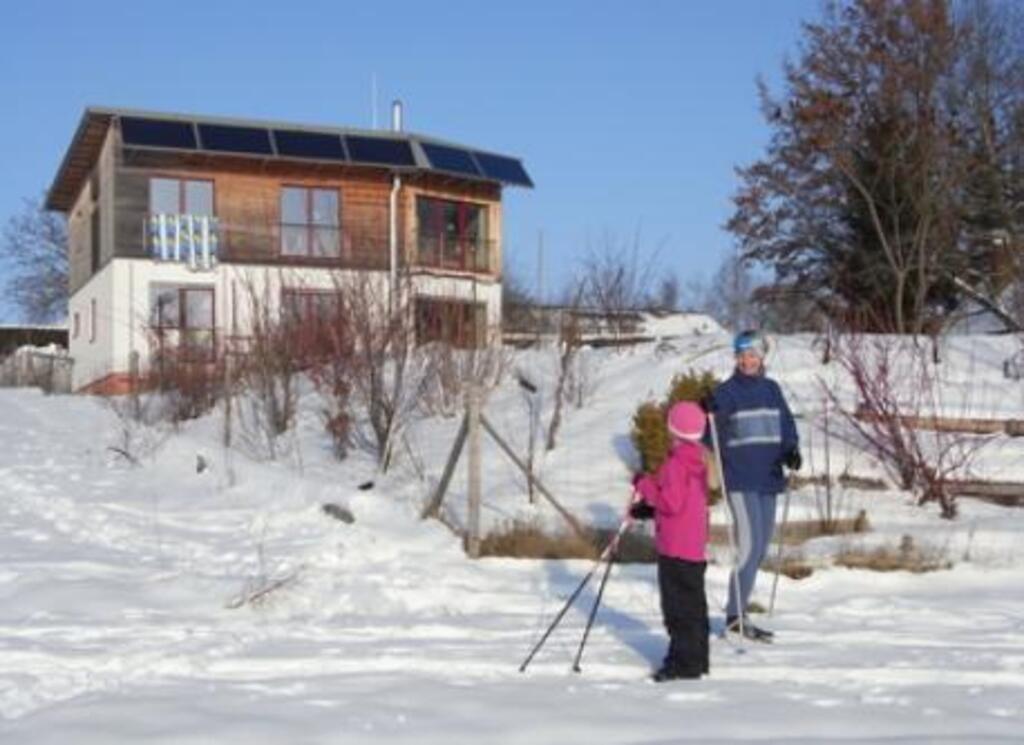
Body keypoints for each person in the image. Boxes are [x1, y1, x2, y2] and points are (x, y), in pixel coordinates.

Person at [705, 329, 800, 641]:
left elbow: (786, 425)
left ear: (762, 357)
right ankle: (734, 617)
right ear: (736, 357)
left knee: (760, 549)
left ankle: (741, 611)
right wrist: (706, 412)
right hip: (741, 479)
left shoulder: (772, 389)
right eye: (743, 355)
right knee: (748, 548)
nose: (748, 361)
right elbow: (707, 434)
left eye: (753, 355)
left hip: (770, 478)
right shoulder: (726, 392)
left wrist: (791, 450)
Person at [630, 401, 711, 681]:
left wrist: (644, 485)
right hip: (694, 548)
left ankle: (682, 663)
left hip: (675, 548)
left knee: (677, 610)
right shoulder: (698, 461)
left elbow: (671, 502)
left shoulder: (676, 463)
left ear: (673, 429)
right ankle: (698, 658)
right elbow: (683, 503)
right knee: (694, 607)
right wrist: (650, 506)